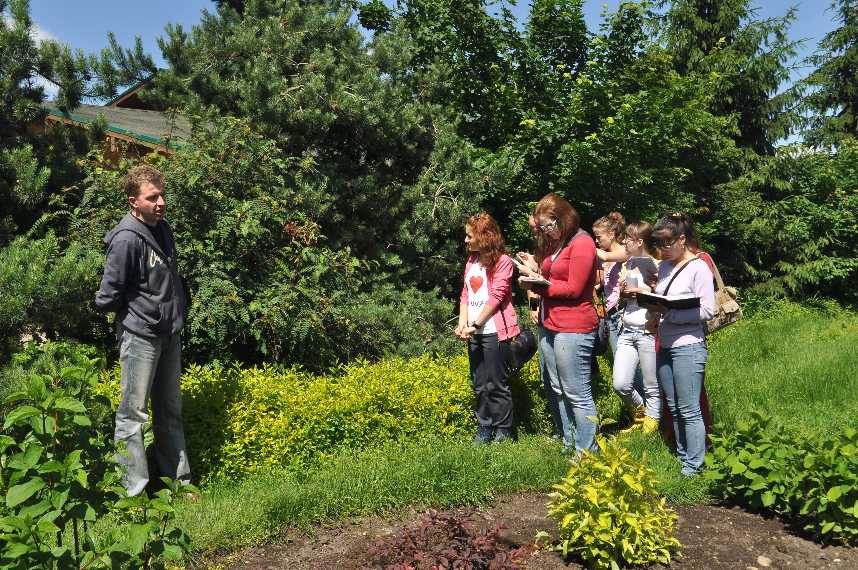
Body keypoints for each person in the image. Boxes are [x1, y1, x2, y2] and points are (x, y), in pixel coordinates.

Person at [95, 164, 191, 496]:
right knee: (132, 416)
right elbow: (108, 295)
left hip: (168, 334)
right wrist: (135, 314)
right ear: (133, 201)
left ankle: (178, 483)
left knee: (170, 411)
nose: (161, 202)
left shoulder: (163, 229)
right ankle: (134, 494)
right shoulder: (125, 239)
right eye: (153, 197)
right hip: (139, 337)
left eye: (162, 195)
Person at [518, 194, 599, 456]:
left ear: (562, 218)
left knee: (577, 392)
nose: (545, 232)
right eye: (541, 227)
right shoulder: (558, 243)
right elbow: (553, 279)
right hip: (551, 323)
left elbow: (574, 289)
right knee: (556, 388)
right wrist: (534, 275)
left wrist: (541, 287)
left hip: (574, 326)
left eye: (548, 226)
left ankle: (587, 452)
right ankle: (569, 441)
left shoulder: (583, 243)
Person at [645, 213, 715, 475]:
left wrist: (673, 314)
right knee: (673, 406)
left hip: (688, 345)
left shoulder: (699, 267)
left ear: (681, 239)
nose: (661, 250)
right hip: (666, 343)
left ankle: (693, 467)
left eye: (666, 244)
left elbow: (708, 310)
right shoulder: (664, 267)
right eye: (657, 245)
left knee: (688, 407)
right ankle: (684, 454)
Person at [455, 213, 520, 444]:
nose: (465, 240)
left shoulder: (503, 262)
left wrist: (476, 324)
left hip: (494, 332)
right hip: (474, 331)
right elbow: (465, 293)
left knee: (496, 383)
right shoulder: (472, 261)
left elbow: (496, 297)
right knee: (480, 383)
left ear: (484, 236)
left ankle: (504, 431)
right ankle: (485, 427)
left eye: (469, 235)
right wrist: (462, 323)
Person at [614, 222, 661, 433]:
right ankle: (640, 413)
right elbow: (625, 296)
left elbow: (663, 298)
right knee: (621, 384)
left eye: (628, 238)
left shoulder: (658, 266)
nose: (624, 241)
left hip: (648, 330)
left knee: (652, 385)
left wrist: (644, 290)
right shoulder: (630, 262)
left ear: (640, 241)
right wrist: (624, 293)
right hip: (627, 328)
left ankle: (651, 428)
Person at [592, 212, 628, 354]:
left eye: (598, 237)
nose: (596, 241)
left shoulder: (625, 250)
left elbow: (606, 256)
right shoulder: (604, 259)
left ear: (611, 234)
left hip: (622, 314)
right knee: (619, 362)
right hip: (610, 314)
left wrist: (585, 246)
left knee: (624, 363)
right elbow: (597, 286)